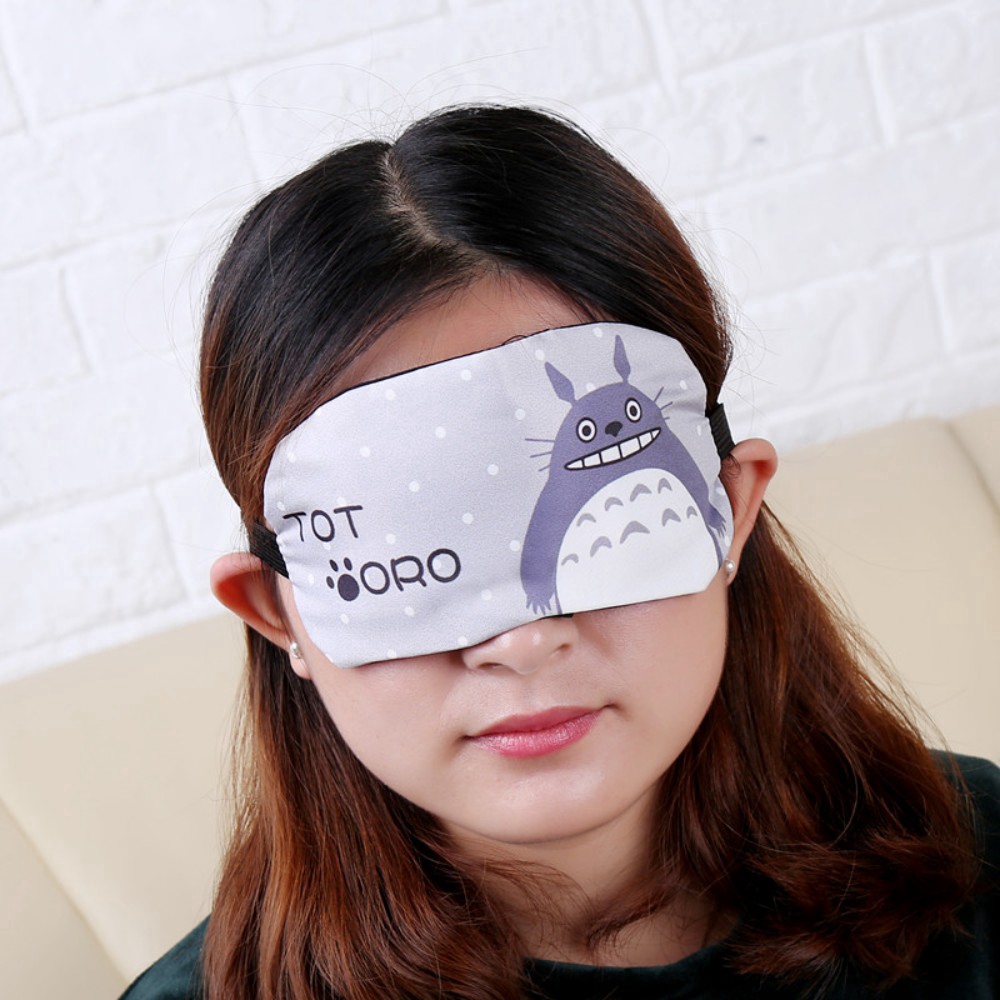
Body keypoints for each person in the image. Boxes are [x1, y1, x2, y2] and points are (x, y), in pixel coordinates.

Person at [121, 104, 999, 1000]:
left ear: (731, 511)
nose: (524, 640)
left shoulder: (978, 857)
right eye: (418, 555)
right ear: (278, 611)